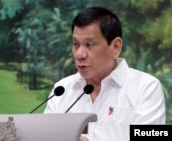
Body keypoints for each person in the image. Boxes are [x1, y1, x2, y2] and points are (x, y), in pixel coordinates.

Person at [44, 7, 166, 141]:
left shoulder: (146, 87)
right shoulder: (62, 89)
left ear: (115, 47)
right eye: (76, 44)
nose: (79, 54)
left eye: (89, 45)